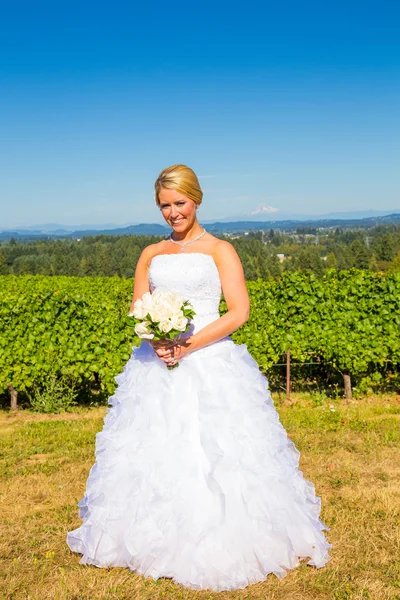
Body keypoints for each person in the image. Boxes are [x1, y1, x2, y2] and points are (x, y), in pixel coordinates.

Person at [66, 164, 331, 592]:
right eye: (165, 206)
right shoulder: (149, 254)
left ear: (197, 199)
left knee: (219, 451)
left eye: (180, 203)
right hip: (157, 363)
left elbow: (238, 311)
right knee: (154, 447)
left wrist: (188, 345)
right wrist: (157, 341)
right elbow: (139, 308)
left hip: (210, 360)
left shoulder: (221, 249)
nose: (173, 213)